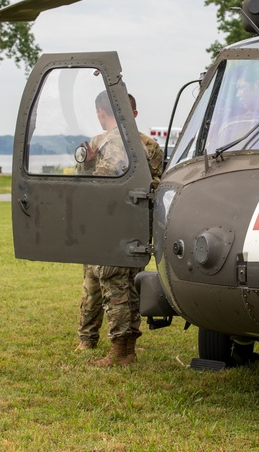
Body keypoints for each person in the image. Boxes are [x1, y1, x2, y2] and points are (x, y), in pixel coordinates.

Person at [76, 93, 164, 367]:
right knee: (130, 287)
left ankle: (119, 351)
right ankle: (128, 349)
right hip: (137, 226)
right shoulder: (150, 145)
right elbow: (157, 185)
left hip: (110, 226)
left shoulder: (104, 141)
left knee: (114, 288)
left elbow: (94, 187)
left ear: (102, 112)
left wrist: (87, 162)